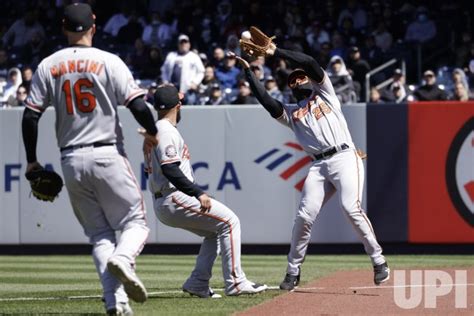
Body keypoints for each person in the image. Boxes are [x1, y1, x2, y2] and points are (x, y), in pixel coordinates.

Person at [21, 4, 159, 314]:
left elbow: (30, 116)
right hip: (107, 151)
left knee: (99, 234)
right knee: (135, 221)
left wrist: (31, 160)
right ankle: (123, 259)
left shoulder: (47, 65)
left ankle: (116, 303)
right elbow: (137, 106)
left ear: (63, 27)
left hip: (70, 158)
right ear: (93, 27)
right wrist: (152, 132)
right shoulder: (108, 61)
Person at [231, 40, 389, 291]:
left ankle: (378, 260)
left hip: (345, 157)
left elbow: (310, 63)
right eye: (292, 80)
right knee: (304, 216)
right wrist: (248, 72)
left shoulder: (325, 93)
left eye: (300, 78)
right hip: (319, 165)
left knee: (350, 207)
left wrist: (276, 52)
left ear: (309, 80)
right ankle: (293, 270)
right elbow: (266, 101)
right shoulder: (292, 113)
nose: (296, 81)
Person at [145, 84, 268, 297]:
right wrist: (198, 193)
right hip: (173, 195)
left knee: (214, 232)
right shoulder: (165, 131)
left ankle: (197, 283)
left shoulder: (158, 129)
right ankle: (236, 283)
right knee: (231, 222)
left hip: (167, 197)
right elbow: (170, 169)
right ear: (178, 105)